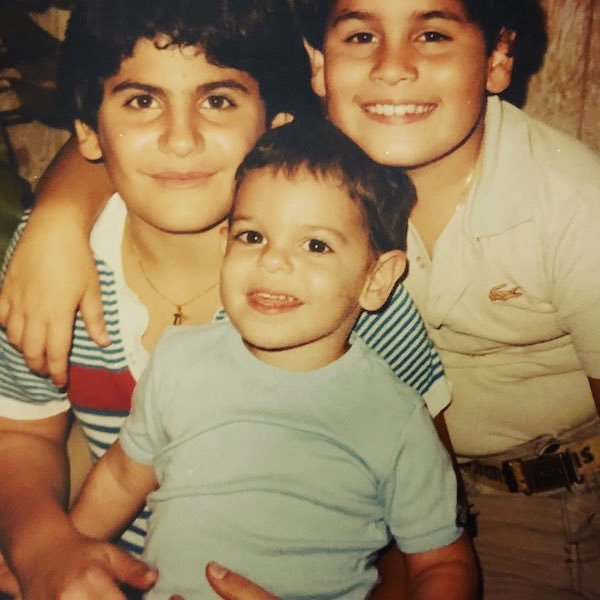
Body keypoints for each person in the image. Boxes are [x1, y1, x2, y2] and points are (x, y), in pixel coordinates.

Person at [0, 0, 452, 598]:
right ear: (87, 130)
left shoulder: (337, 289)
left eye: (218, 100)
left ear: (275, 124)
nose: (181, 139)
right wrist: (44, 546)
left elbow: (420, 533)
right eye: (141, 101)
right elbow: (22, 433)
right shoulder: (51, 269)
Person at [69, 118, 477, 599]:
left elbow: (443, 562)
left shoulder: (392, 414)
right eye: (252, 237)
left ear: (377, 279)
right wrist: (63, 556)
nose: (273, 261)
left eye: (316, 245)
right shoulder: (180, 360)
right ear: (225, 245)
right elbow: (120, 476)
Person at [291, 0, 600, 598]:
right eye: (360, 36)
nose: (392, 66)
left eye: (431, 34)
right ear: (318, 63)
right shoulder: (301, 170)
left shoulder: (573, 205)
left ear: (498, 57)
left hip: (548, 500)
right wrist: (62, 217)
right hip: (386, 494)